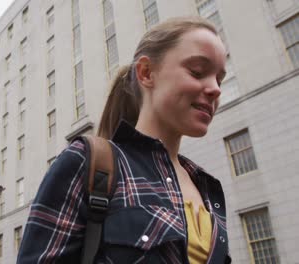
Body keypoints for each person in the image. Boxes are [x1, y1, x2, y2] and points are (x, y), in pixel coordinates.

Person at [18, 16, 230, 263]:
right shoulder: (87, 162)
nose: (215, 89)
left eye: (219, 78)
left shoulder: (207, 187)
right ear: (147, 72)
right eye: (197, 71)